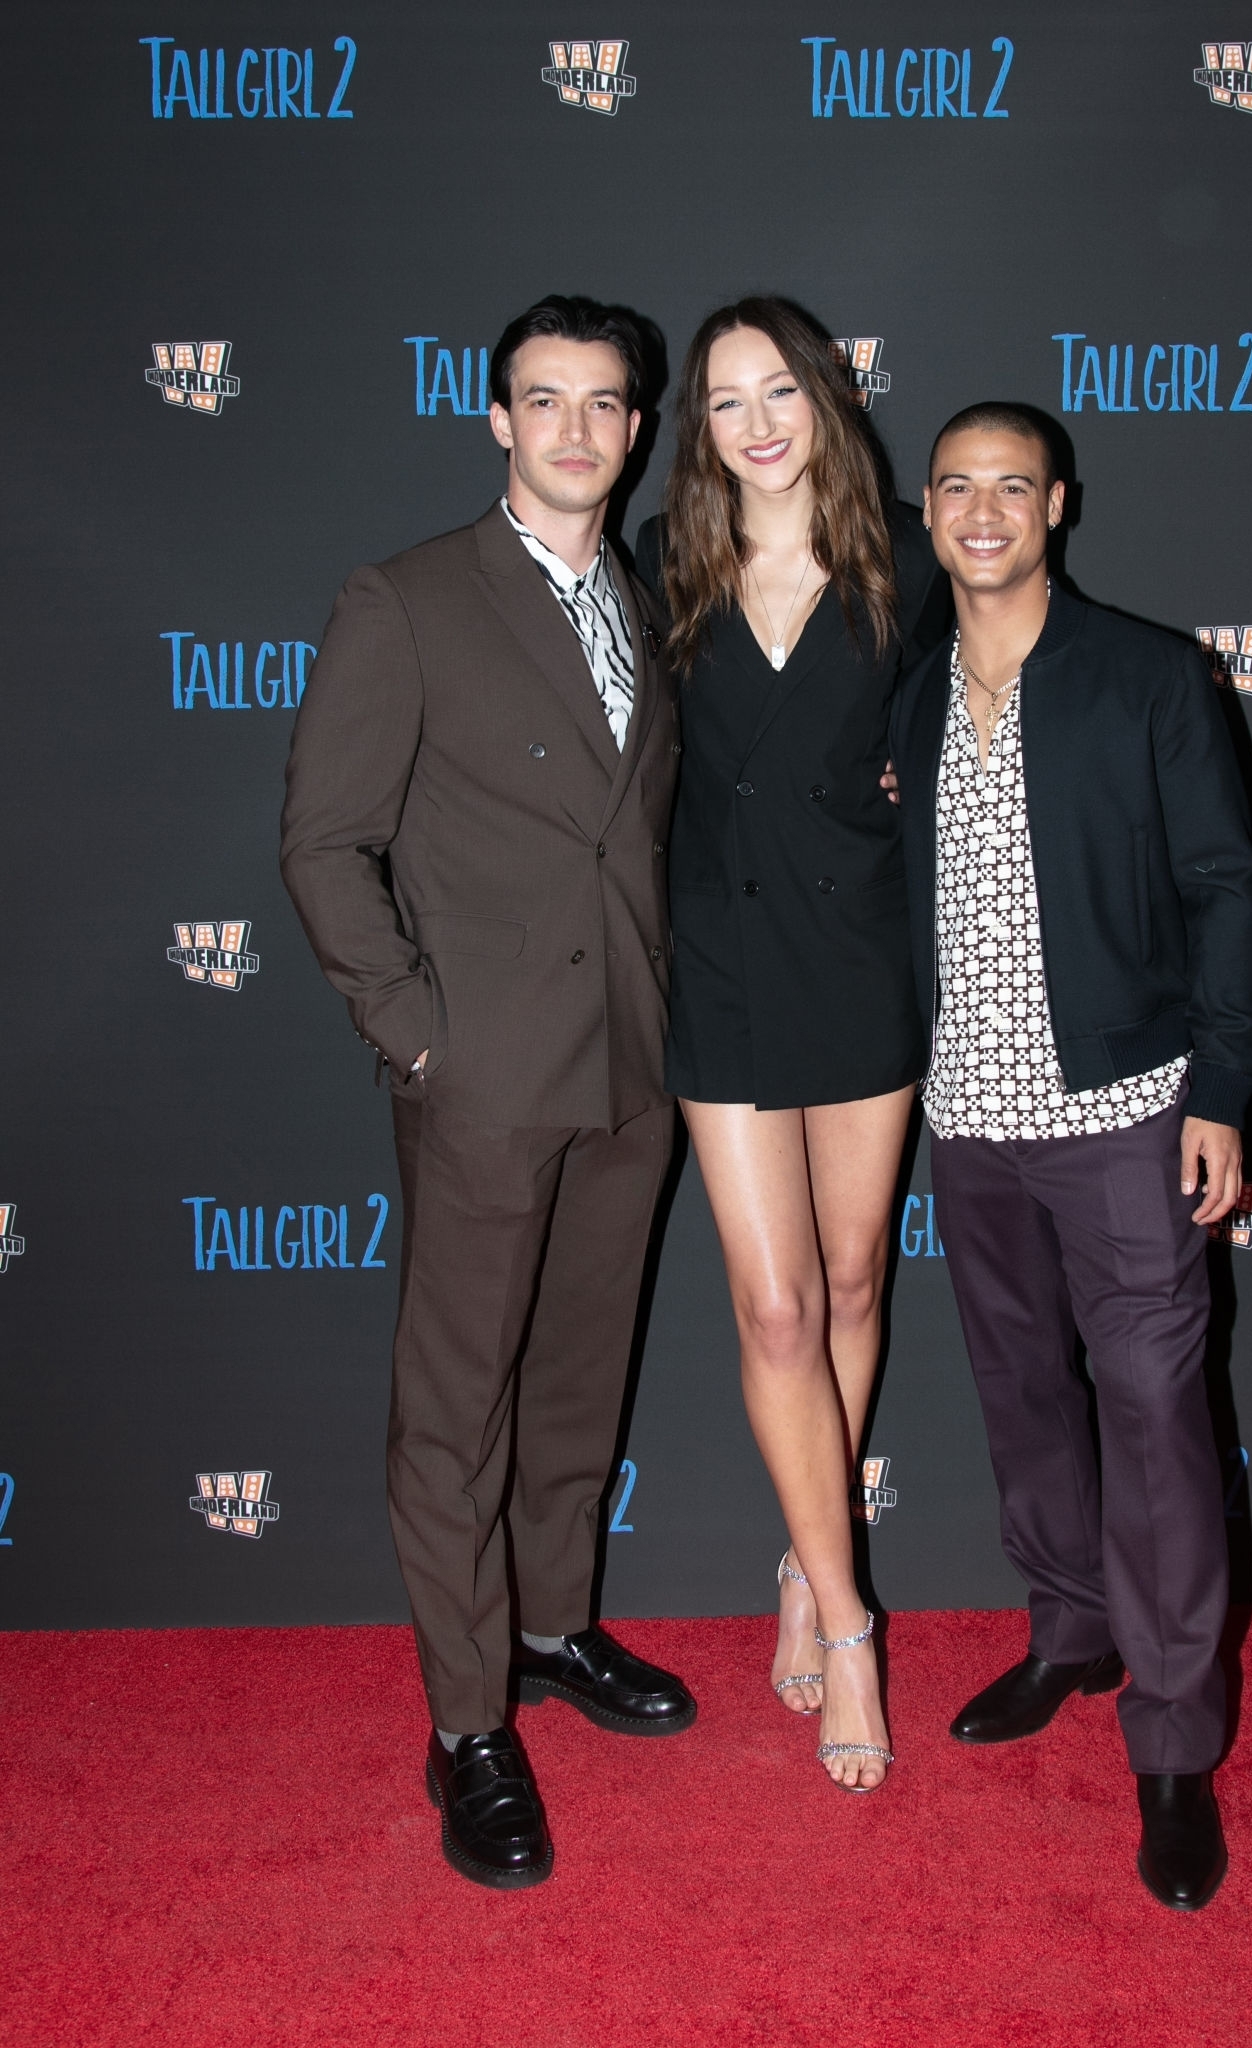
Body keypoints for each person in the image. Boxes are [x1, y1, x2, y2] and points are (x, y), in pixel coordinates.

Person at [280, 295, 696, 1892]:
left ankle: (551, 1625)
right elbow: (326, 842)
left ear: (636, 429)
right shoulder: (406, 599)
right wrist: (418, 1037)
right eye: (545, 399)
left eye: (605, 403)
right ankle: (466, 1724)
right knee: (457, 1409)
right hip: (485, 1080)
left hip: (633, 1070)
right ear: (499, 419)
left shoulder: (646, 603)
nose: (576, 429)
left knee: (580, 1378)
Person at [889, 403, 1252, 1906]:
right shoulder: (912, 694)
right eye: (957, 487)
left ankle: (1173, 1743)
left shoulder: (1150, 675)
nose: (983, 511)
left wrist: (1224, 1090)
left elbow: (1227, 885)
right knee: (1021, 1396)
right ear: (929, 510)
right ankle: (1071, 1631)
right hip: (967, 1122)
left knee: (1157, 1420)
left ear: (1059, 506)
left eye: (1013, 487)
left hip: (1125, 1117)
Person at [636, 298, 950, 1792]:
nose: (757, 422)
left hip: (861, 955)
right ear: (697, 428)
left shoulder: (907, 557)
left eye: (780, 390)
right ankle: (849, 1621)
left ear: (828, 396)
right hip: (720, 960)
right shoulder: (664, 559)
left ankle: (798, 1557)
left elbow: (977, 720)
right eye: (725, 400)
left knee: (851, 1281)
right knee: (775, 1311)